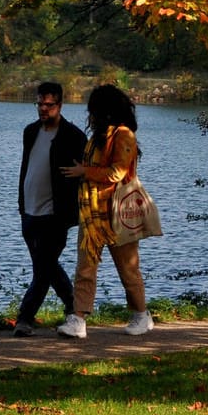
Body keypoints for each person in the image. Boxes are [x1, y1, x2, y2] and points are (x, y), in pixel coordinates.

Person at [57, 84, 153, 339]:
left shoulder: (123, 135)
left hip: (116, 214)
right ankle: (78, 319)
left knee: (127, 268)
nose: (90, 115)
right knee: (85, 267)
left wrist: (83, 172)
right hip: (92, 215)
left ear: (106, 110)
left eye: (94, 110)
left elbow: (116, 173)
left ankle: (141, 315)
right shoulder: (99, 135)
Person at [14, 81, 86, 336]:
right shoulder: (30, 131)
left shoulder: (74, 136)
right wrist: (22, 205)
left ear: (60, 105)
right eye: (39, 104)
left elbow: (84, 175)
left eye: (49, 105)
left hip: (56, 215)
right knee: (46, 266)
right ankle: (74, 308)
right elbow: (27, 168)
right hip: (29, 212)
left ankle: (25, 318)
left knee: (45, 266)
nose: (43, 109)